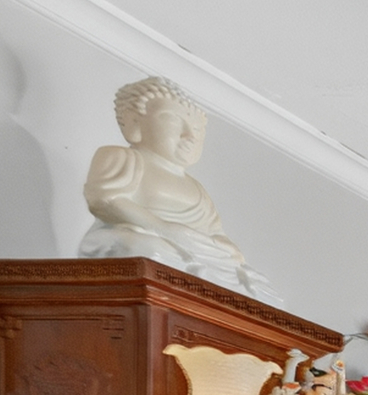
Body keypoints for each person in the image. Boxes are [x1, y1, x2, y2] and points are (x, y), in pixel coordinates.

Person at [79, 77, 279, 301]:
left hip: (192, 249)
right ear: (134, 122)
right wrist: (165, 228)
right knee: (143, 249)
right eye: (173, 120)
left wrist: (228, 251)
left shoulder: (197, 189)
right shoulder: (124, 157)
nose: (189, 136)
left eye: (197, 129)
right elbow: (104, 200)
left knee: (257, 286)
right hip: (139, 237)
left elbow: (214, 232)